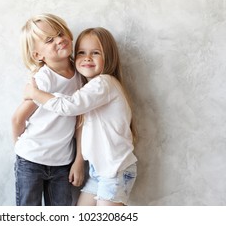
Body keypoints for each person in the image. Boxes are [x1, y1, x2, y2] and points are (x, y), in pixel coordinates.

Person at [24, 27, 137, 206]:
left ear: (108, 57)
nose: (87, 57)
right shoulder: (90, 89)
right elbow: (82, 125)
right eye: (81, 52)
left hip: (115, 170)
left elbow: (69, 106)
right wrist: (79, 161)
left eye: (95, 53)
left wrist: (35, 93)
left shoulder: (103, 84)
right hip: (98, 170)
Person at [11, 13, 85, 206]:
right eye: (49, 40)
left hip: (62, 164)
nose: (59, 40)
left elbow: (80, 122)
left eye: (60, 33)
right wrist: (20, 149)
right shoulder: (44, 80)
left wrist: (78, 160)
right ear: (38, 55)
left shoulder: (81, 74)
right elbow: (17, 119)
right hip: (31, 161)